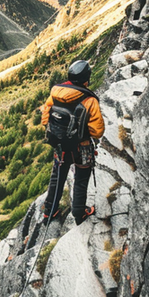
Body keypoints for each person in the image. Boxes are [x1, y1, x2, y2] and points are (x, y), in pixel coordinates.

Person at [41, 59, 104, 225]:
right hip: (82, 147)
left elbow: (45, 119)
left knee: (57, 177)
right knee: (81, 179)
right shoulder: (89, 100)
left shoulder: (55, 94)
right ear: (86, 79)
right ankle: (79, 213)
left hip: (60, 146)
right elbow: (98, 131)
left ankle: (50, 211)